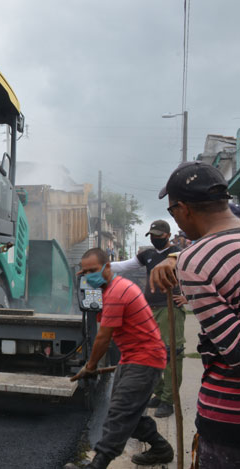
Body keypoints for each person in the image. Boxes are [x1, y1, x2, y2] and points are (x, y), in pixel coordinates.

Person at [149, 161, 240, 468]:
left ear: (184, 209)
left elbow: (236, 351)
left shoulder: (196, 261)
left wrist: (180, 256)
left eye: (173, 213)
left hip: (229, 420)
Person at [71, 248, 172, 468]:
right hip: (131, 356)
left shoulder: (118, 292)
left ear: (108, 267)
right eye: (85, 272)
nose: (89, 276)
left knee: (120, 412)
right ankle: (161, 448)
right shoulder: (109, 289)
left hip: (146, 358)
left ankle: (98, 463)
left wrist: (90, 366)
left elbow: (103, 337)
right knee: (128, 411)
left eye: (93, 270)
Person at [109, 219, 187, 418]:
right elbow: (125, 266)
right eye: (152, 235)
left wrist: (188, 296)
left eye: (158, 236)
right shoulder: (148, 254)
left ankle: (169, 400)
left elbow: (196, 274)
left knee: (171, 353)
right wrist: (102, 265)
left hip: (169, 309)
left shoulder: (179, 253)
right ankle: (160, 393)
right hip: (149, 309)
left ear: (167, 236)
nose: (154, 239)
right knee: (152, 353)